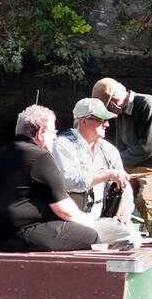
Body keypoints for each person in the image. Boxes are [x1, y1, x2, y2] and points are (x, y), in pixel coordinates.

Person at [0, 104, 138, 253]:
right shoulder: (40, 157)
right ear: (40, 133)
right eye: (53, 132)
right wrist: (91, 224)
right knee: (90, 236)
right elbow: (64, 209)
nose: (55, 137)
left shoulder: (4, 152)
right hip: (15, 234)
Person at [90, 77, 152, 219]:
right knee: (111, 195)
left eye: (108, 109)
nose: (107, 116)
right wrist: (108, 168)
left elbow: (146, 147)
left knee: (145, 200)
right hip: (133, 170)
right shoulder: (119, 114)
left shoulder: (147, 104)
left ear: (117, 102)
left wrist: (114, 165)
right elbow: (119, 149)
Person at [51, 97, 136, 226]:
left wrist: (125, 213)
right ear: (84, 121)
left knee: (130, 238)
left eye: (107, 120)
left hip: (103, 220)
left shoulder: (109, 150)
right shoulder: (62, 145)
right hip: (70, 222)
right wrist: (107, 175)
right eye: (101, 120)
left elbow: (126, 187)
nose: (107, 124)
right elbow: (69, 182)